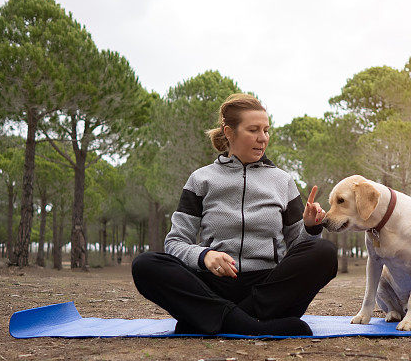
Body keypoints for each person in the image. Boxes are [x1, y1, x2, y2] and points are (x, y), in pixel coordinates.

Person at [131, 93, 337, 336]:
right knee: (145, 265)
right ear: (229, 132)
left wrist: (311, 228)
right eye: (253, 130)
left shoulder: (283, 181)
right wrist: (204, 256)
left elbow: (298, 249)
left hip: (268, 289)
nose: (263, 138)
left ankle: (214, 319)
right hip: (214, 283)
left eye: (266, 130)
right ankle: (248, 326)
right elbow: (175, 243)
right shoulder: (201, 179)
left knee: (325, 252)